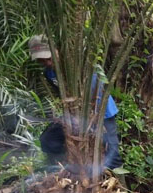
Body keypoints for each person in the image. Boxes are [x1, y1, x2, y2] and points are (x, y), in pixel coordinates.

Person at [28, 35, 122, 170]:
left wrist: (88, 120)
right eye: (42, 61)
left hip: (100, 113)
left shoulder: (79, 67)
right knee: (48, 140)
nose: (47, 63)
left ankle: (112, 184)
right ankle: (67, 169)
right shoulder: (49, 73)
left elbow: (95, 93)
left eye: (49, 58)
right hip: (73, 116)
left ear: (57, 50)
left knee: (112, 156)